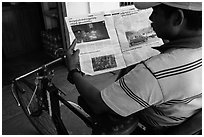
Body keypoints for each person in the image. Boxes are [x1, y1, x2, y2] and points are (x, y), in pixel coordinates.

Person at [65, 2, 202, 134]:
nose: (150, 18)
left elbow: (97, 103)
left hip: (151, 124)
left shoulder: (155, 71)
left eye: (155, 12)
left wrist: (73, 70)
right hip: (182, 116)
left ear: (177, 18)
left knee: (88, 101)